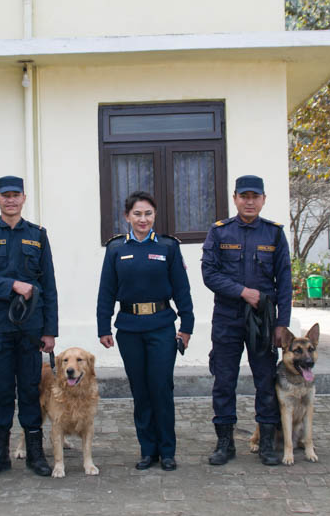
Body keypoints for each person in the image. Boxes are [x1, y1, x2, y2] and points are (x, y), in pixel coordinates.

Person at [0, 175, 58, 478]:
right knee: (2, 390)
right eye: (5, 195)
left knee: (30, 390)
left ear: (23, 198)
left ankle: (35, 454)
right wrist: (12, 286)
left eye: (15, 194)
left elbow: (49, 286)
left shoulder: (38, 235)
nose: (10, 200)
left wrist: (49, 331)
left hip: (31, 327)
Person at [97, 191, 194, 471]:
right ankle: (147, 450)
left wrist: (186, 326)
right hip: (129, 329)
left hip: (162, 327)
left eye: (148, 213)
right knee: (140, 391)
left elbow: (182, 290)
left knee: (161, 388)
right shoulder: (116, 249)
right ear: (127, 217)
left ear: (155, 216)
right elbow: (106, 291)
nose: (143, 219)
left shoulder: (168, 247)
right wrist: (104, 326)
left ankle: (167, 451)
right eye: (137, 214)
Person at [201, 175, 292, 466]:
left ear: (263, 199)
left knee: (265, 381)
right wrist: (242, 292)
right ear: (235, 198)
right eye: (244, 196)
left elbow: (285, 282)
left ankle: (267, 443)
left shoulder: (274, 234)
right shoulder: (219, 233)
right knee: (224, 381)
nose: (249, 201)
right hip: (227, 318)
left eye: (255, 196)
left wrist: (282, 325)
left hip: (263, 320)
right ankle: (225, 444)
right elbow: (209, 275)